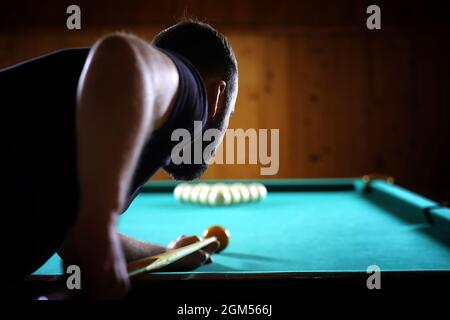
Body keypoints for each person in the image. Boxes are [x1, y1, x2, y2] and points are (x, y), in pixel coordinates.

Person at [1, 20, 238, 299]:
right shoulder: (194, 95)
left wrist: (168, 253)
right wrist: (98, 227)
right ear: (217, 97)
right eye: (230, 116)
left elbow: (70, 234)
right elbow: (120, 54)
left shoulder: (105, 143)